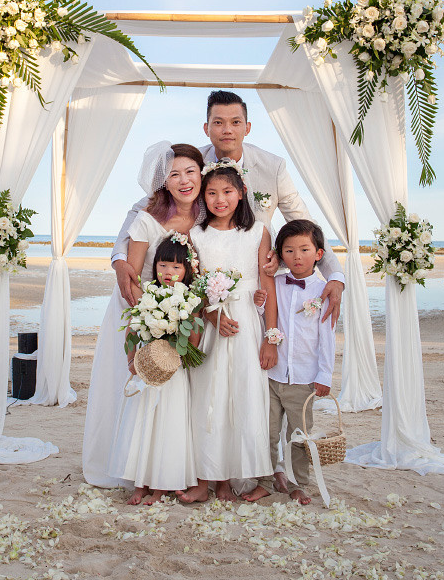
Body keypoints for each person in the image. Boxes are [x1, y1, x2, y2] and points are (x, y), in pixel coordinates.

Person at [111, 90, 345, 328]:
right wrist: (120, 258)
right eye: (218, 123)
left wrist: (335, 275)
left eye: (235, 122)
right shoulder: (192, 163)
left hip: (254, 292)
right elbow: (142, 210)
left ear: (247, 127)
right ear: (206, 128)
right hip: (204, 289)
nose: (227, 130)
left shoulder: (272, 167)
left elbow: (305, 224)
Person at [82, 142, 203, 489]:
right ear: (163, 182)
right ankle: (135, 470)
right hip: (146, 313)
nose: (183, 181)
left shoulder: (207, 213)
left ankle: (176, 469)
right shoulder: (148, 215)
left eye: (190, 172)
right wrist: (151, 322)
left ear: (201, 173)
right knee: (140, 391)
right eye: (174, 175)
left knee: (181, 398)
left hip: (186, 316)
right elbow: (132, 276)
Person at [179, 160, 278, 503]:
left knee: (243, 397)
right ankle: (205, 479)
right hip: (212, 323)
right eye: (211, 193)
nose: (219, 199)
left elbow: (269, 285)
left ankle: (228, 480)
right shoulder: (196, 235)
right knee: (208, 399)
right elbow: (192, 289)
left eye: (227, 192)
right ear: (202, 197)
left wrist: (271, 338)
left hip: (248, 321)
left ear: (242, 193)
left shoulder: (258, 233)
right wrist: (211, 315)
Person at [244, 219, 336, 506]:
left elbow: (328, 338)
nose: (297, 257)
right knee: (267, 432)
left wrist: (325, 375)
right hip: (272, 374)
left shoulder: (323, 291)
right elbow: (264, 316)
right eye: (289, 250)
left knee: (300, 435)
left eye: (305, 250)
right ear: (280, 254)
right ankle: (265, 480)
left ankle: (299, 484)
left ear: (319, 254)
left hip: (304, 378)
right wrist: (259, 302)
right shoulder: (276, 283)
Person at [108, 235, 201, 505]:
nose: (168, 273)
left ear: (187, 270)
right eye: (162, 266)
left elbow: (194, 333)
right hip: (147, 369)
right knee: (143, 424)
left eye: (176, 267)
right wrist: (131, 360)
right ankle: (140, 484)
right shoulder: (148, 294)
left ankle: (160, 486)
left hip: (173, 374)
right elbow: (132, 327)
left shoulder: (190, 299)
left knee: (167, 425)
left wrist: (179, 357)